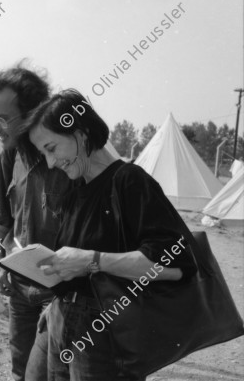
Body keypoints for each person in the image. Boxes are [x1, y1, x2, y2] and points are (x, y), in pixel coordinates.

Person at [20, 89, 198, 381]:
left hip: (104, 333)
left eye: (52, 148)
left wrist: (94, 260)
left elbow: (176, 267)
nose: (51, 163)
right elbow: (72, 264)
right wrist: (55, 305)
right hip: (60, 319)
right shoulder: (74, 190)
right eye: (44, 154)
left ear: (80, 134)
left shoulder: (130, 182)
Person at [0, 62, 76, 381]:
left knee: (55, 373)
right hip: (20, 287)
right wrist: (1, 263)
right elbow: (3, 220)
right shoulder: (10, 155)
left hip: (62, 294)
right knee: (21, 368)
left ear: (34, 112)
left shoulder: (66, 157)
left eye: (2, 119)